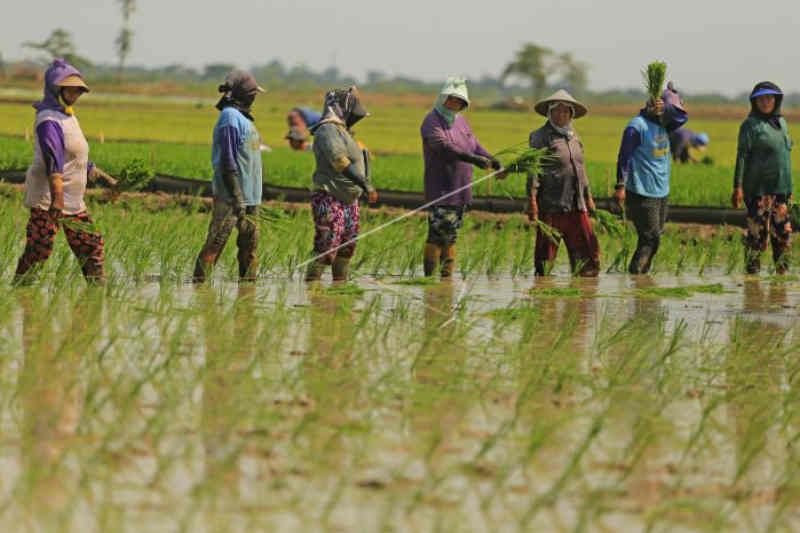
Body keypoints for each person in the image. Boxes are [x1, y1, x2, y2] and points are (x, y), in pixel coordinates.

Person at [14, 59, 117, 284]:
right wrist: (57, 201)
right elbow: (54, 162)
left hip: (71, 200)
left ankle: (96, 297)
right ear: (55, 88)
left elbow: (76, 157)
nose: (75, 93)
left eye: (78, 89)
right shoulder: (49, 120)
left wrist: (107, 179)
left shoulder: (68, 116)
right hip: (49, 199)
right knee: (39, 251)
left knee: (91, 244)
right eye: (69, 88)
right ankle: (20, 294)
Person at [420, 76, 503, 278]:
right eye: (452, 99)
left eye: (459, 101)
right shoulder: (432, 121)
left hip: (461, 190)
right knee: (440, 235)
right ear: (443, 98)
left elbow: (474, 144)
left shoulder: (461, 122)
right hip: (442, 189)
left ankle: (444, 281)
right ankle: (433, 279)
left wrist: (491, 159)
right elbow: (443, 147)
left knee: (450, 236)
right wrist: (473, 159)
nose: (455, 103)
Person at [193, 70, 265, 283]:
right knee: (215, 244)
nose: (255, 97)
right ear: (245, 94)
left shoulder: (244, 119)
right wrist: (236, 196)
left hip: (251, 198)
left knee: (249, 249)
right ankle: (200, 287)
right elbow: (227, 160)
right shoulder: (229, 118)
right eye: (253, 93)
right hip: (232, 197)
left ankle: (248, 292)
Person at [305, 86, 378, 282]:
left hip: (349, 201)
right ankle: (312, 290)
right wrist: (365, 184)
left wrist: (365, 180)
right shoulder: (328, 129)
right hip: (330, 198)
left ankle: (340, 287)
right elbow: (340, 161)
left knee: (347, 248)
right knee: (326, 248)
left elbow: (359, 160)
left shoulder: (343, 132)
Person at [615, 82, 688, 274]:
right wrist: (620, 186)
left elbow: (682, 118)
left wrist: (666, 108)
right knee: (650, 237)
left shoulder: (664, 124)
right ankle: (636, 280)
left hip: (661, 190)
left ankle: (641, 278)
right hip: (641, 190)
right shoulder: (636, 126)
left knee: (655, 237)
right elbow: (624, 157)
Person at [528, 89, 600, 276]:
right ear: (550, 113)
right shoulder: (540, 136)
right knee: (545, 258)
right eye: (557, 111)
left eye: (566, 111)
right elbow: (534, 171)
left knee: (587, 255)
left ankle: (584, 297)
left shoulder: (574, 137)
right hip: (551, 204)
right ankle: (543, 296)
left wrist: (588, 197)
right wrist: (532, 201)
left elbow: (581, 171)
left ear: (571, 114)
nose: (561, 115)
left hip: (577, 205)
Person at [732, 82, 793, 274]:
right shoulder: (750, 125)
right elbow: (742, 156)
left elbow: (785, 157)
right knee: (756, 235)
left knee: (782, 234)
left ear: (776, 100)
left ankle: (781, 277)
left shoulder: (781, 124)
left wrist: (789, 188)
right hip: (757, 190)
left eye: (769, 98)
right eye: (761, 99)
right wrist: (738, 186)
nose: (766, 102)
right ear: (754, 102)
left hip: (780, 189)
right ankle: (752, 279)